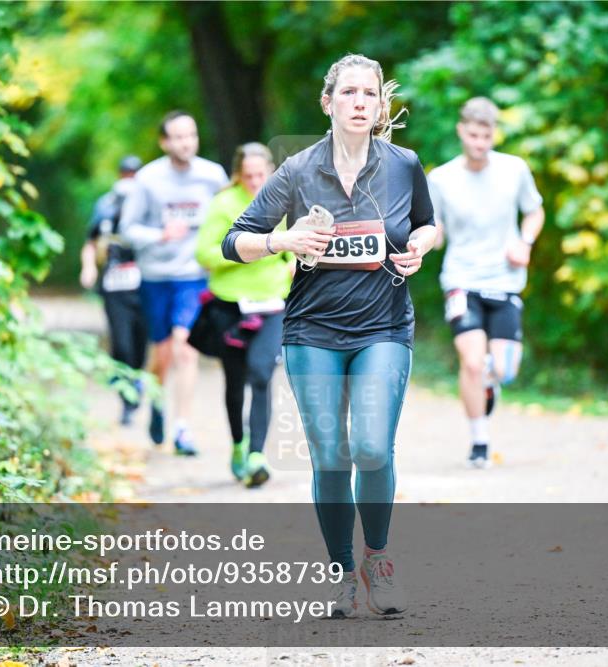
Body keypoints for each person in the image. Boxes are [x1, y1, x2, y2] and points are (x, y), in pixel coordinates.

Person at [222, 54, 438, 617]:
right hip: (312, 329)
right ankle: (340, 572)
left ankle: (379, 560)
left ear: (380, 105)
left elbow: (426, 221)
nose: (360, 102)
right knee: (330, 455)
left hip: (383, 326)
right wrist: (282, 242)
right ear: (329, 102)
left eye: (370, 94)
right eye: (349, 93)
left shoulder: (403, 163)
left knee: (370, 446)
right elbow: (234, 239)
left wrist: (421, 246)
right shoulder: (297, 170)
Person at [427, 97, 544, 469]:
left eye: (487, 135)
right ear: (461, 131)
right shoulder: (441, 178)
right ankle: (479, 442)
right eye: (473, 135)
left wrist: (524, 242)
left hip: (505, 280)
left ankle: (492, 383)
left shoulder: (514, 170)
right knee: (473, 363)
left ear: (495, 134)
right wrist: (426, 238)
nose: (480, 143)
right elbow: (435, 229)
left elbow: (535, 211)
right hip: (461, 279)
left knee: (504, 369)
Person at [120, 111, 228, 456]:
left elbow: (230, 217)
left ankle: (183, 428)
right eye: (178, 137)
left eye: (192, 135)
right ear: (164, 142)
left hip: (194, 275)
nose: (186, 143)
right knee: (162, 353)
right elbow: (128, 229)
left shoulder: (212, 176)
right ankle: (156, 402)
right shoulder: (148, 179)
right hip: (156, 276)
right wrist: (160, 235)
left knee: (185, 347)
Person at [194, 143, 293, 487]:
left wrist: (292, 261)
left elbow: (292, 244)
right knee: (234, 383)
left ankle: (257, 454)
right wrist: (243, 251)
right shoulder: (223, 204)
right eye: (248, 176)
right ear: (238, 175)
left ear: (270, 172)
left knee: (262, 372)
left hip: (272, 303)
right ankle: (237, 444)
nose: (255, 181)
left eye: (261, 175)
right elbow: (204, 253)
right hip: (231, 306)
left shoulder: (282, 201)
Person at [80, 155, 147, 425]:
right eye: (126, 173)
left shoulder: (148, 204)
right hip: (114, 284)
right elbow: (90, 241)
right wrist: (88, 268)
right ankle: (127, 400)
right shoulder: (106, 205)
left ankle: (137, 381)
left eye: (134, 174)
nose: (129, 179)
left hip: (144, 283)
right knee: (121, 343)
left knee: (140, 343)